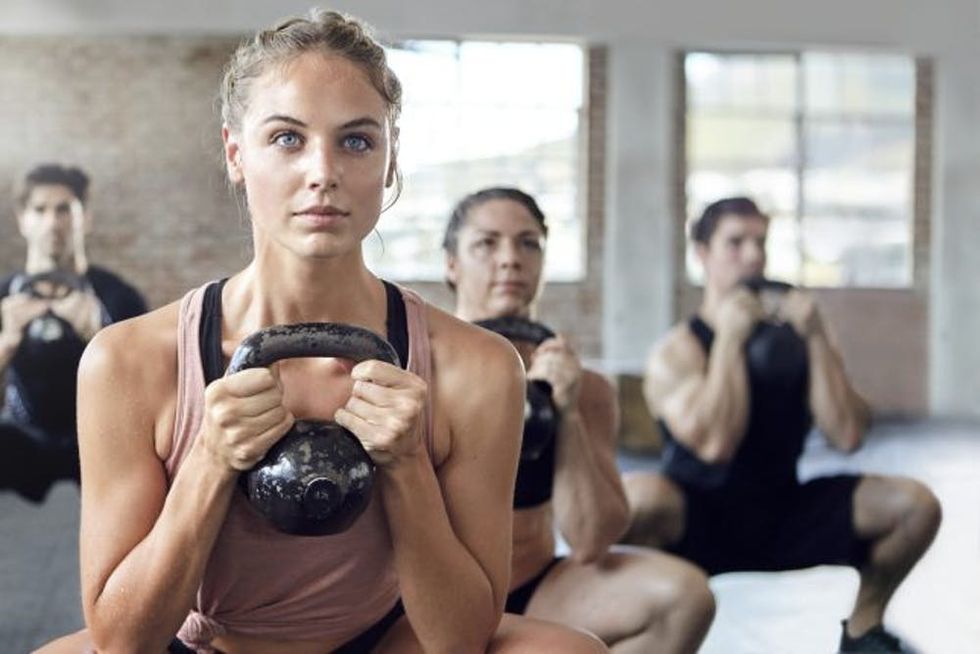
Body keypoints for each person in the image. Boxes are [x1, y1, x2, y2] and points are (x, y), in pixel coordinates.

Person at [38, 10, 609, 654]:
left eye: (357, 141)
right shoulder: (128, 360)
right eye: (287, 138)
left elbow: (460, 638)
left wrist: (407, 464)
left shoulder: (477, 367)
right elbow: (122, 641)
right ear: (236, 153)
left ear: (391, 162)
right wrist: (209, 461)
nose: (323, 172)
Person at [620, 196, 942, 652]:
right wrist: (730, 339)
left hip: (781, 512)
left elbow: (848, 434)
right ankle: (639, 631)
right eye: (735, 243)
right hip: (696, 520)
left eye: (760, 243)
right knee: (635, 501)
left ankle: (862, 631)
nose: (753, 256)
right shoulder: (676, 352)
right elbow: (714, 446)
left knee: (914, 505)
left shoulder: (799, 337)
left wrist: (814, 337)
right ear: (702, 254)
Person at [443, 187, 715, 653]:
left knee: (684, 598)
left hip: (535, 586)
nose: (510, 259)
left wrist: (566, 413)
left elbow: (591, 540)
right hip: (436, 595)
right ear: (452, 264)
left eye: (528, 243)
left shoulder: (587, 387)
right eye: (486, 244)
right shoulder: (423, 367)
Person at [0, 163, 147, 503]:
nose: (53, 222)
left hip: (98, 440)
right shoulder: (5, 296)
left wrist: (98, 331)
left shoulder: (117, 296)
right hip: (24, 438)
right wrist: (6, 341)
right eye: (40, 210)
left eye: (64, 209)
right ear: (23, 220)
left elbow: (149, 392)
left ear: (85, 218)